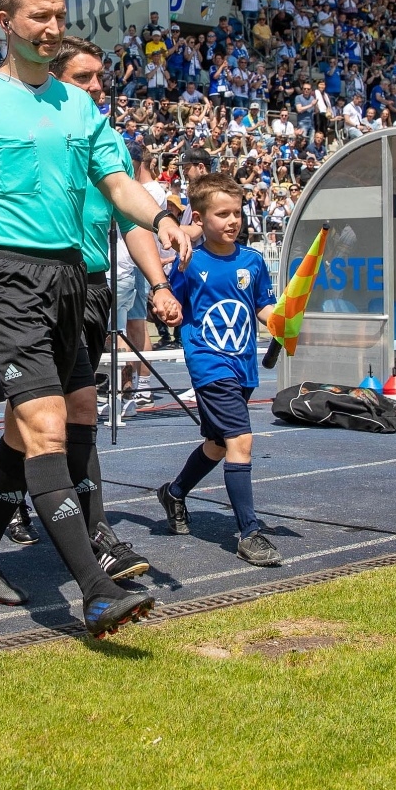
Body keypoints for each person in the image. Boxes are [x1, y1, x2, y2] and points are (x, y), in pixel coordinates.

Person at [0, 0, 191, 637]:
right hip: (8, 276)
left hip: (73, 281)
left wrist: (159, 219)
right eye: (39, 16)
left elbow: (119, 183)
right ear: (6, 20)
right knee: (45, 425)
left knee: (31, 428)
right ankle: (95, 588)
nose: (51, 27)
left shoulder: (80, 109)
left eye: (59, 16)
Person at [157, 172, 282, 567]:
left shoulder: (253, 261)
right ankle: (250, 532)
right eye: (222, 213)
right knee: (240, 440)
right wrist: (170, 310)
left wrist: (284, 319)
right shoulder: (190, 262)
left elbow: (263, 308)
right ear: (199, 217)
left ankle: (175, 492)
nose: (232, 221)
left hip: (243, 364)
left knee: (217, 444)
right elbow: (169, 303)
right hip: (209, 364)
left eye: (237, 213)